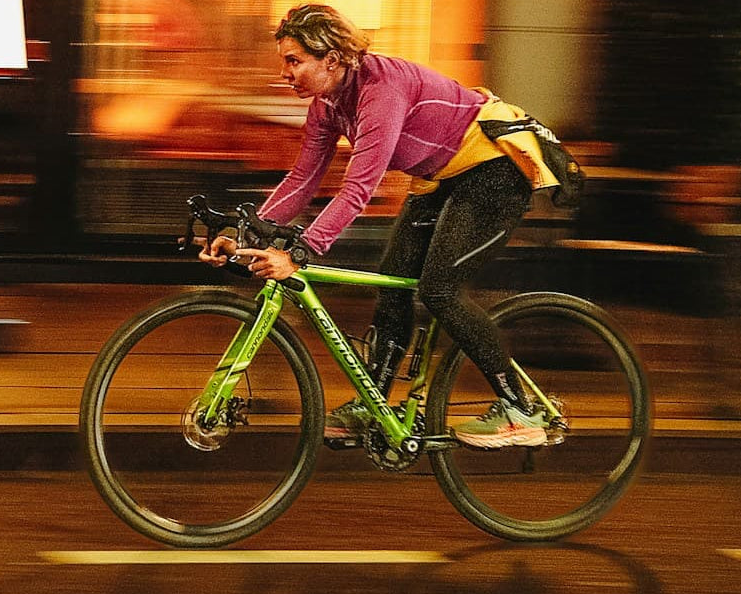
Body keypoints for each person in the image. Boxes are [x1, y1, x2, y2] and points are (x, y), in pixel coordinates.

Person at [201, 4, 576, 449]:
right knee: (392, 282)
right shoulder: (327, 105)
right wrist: (247, 236)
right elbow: (303, 179)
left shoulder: (381, 90)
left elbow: (359, 187)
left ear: (332, 59)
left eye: (293, 60)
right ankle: (374, 402)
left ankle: (520, 409)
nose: (286, 72)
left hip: (492, 172)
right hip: (440, 177)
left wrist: (300, 253)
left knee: (438, 290)